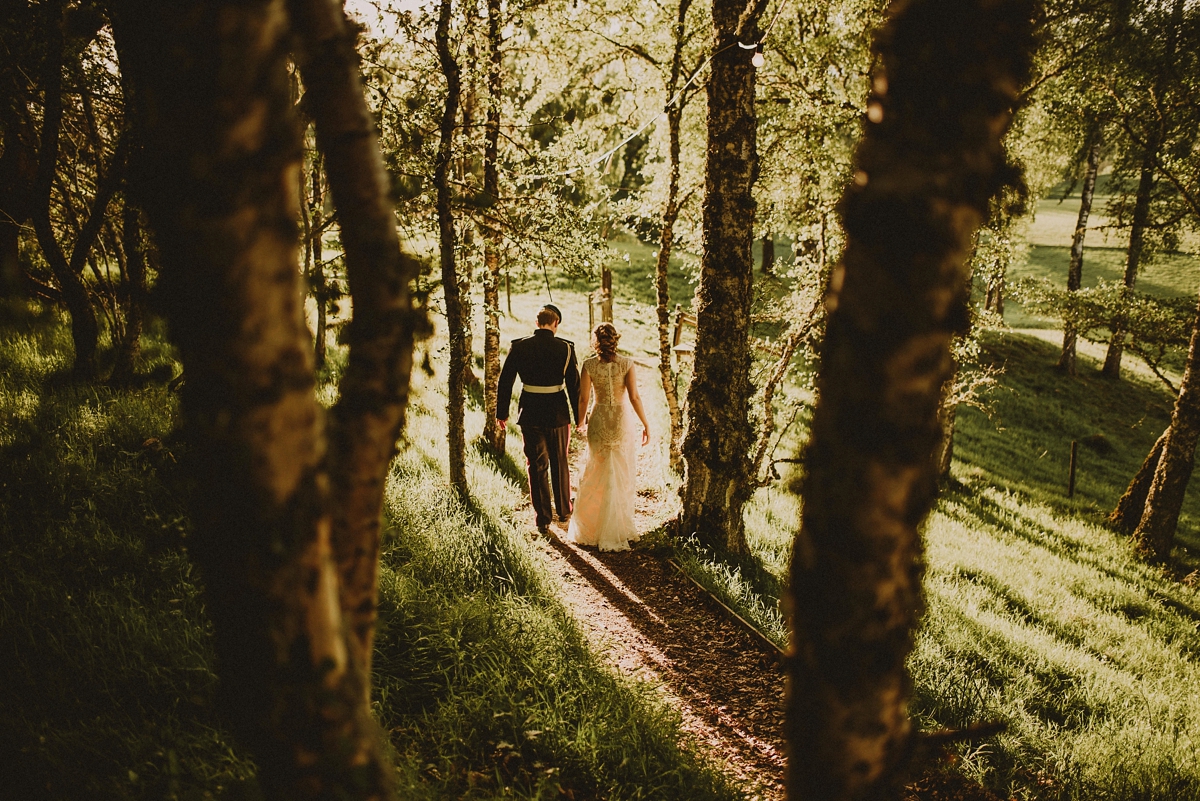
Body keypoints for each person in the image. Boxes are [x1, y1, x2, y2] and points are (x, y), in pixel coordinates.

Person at [497, 304, 581, 534]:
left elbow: (505, 381)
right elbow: (574, 386)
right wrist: (579, 416)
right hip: (557, 412)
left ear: (537, 323)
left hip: (530, 412)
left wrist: (501, 413)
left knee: (536, 465)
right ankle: (564, 509)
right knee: (560, 461)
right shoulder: (565, 348)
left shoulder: (519, 346)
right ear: (556, 324)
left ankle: (543, 518)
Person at [567, 322, 651, 551]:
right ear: (615, 340)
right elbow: (634, 397)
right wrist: (645, 423)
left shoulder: (589, 365)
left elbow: (583, 399)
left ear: (596, 341)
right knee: (620, 473)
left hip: (599, 419)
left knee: (597, 469)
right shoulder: (627, 364)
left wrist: (581, 422)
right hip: (621, 421)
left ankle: (593, 528)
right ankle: (617, 527)